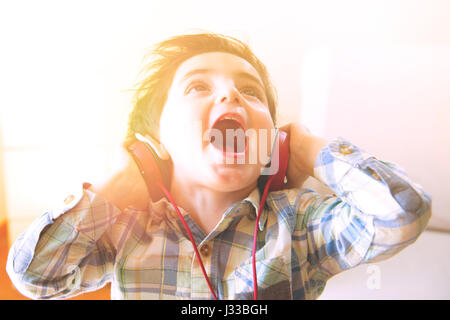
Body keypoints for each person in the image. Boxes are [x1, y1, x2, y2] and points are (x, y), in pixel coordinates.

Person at [6, 32, 431, 300]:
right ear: (156, 144)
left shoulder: (299, 225)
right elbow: (35, 277)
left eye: (251, 92)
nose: (231, 96)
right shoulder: (125, 229)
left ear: (272, 145)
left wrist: (306, 149)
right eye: (198, 86)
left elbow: (402, 213)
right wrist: (117, 186)